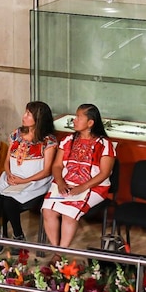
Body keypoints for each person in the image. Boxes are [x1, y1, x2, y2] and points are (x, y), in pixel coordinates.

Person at [41, 103, 115, 248]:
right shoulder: (68, 140)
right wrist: (60, 182)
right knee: (48, 211)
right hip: (66, 183)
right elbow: (57, 166)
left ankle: (59, 253)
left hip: (93, 187)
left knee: (69, 213)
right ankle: (56, 248)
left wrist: (82, 187)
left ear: (90, 123)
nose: (74, 120)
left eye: (78, 117)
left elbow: (104, 173)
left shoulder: (104, 144)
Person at [0, 101, 58, 249]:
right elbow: (6, 160)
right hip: (11, 179)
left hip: (34, 182)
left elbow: (47, 170)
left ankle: (18, 236)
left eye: (28, 114)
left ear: (39, 118)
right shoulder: (15, 134)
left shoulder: (48, 141)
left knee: (9, 201)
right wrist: (9, 174)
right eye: (25, 112)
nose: (24, 116)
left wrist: (25, 180)